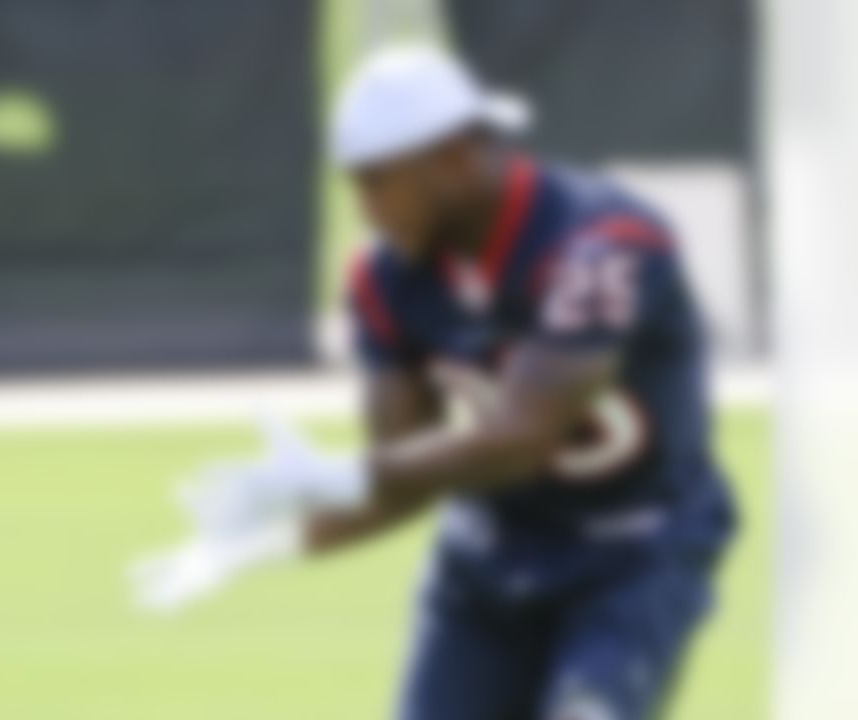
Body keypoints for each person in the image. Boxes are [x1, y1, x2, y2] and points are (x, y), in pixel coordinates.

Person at [132, 46, 735, 720]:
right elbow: (406, 474)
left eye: (376, 182)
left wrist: (337, 474)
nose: (365, 209)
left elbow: (523, 438)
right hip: (491, 552)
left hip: (632, 549)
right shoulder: (386, 280)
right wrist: (270, 542)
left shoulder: (600, 241)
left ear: (451, 158)